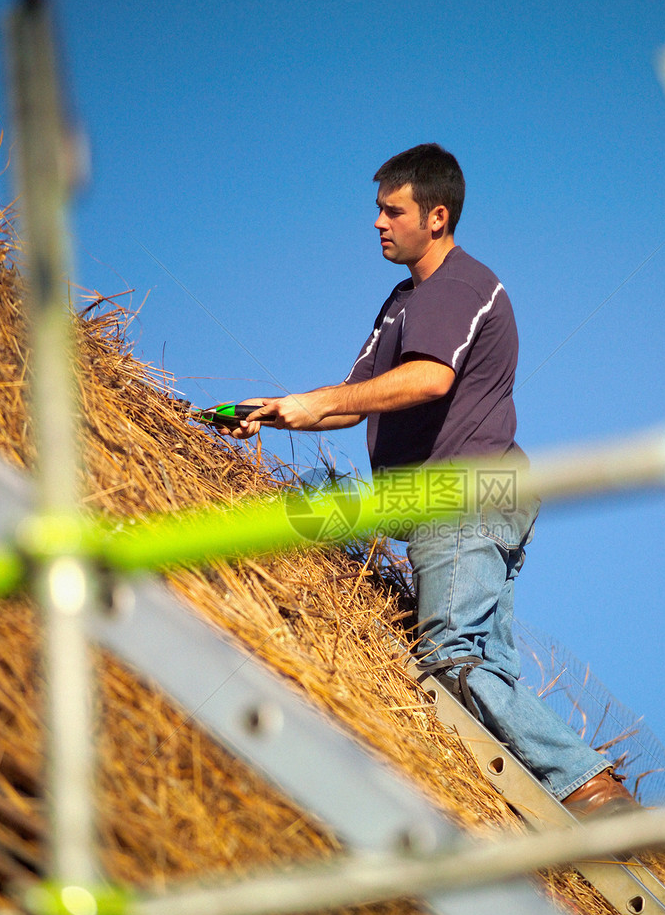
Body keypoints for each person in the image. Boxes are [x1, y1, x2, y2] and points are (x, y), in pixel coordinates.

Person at [233, 144, 634, 816]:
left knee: (448, 657)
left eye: (393, 211)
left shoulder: (457, 288)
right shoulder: (404, 300)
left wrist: (313, 403)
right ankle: (547, 800)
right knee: (485, 664)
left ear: (437, 217)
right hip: (469, 496)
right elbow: (356, 396)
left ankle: (589, 787)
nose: (378, 223)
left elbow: (429, 378)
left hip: (463, 491)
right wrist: (282, 411)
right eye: (378, 210)